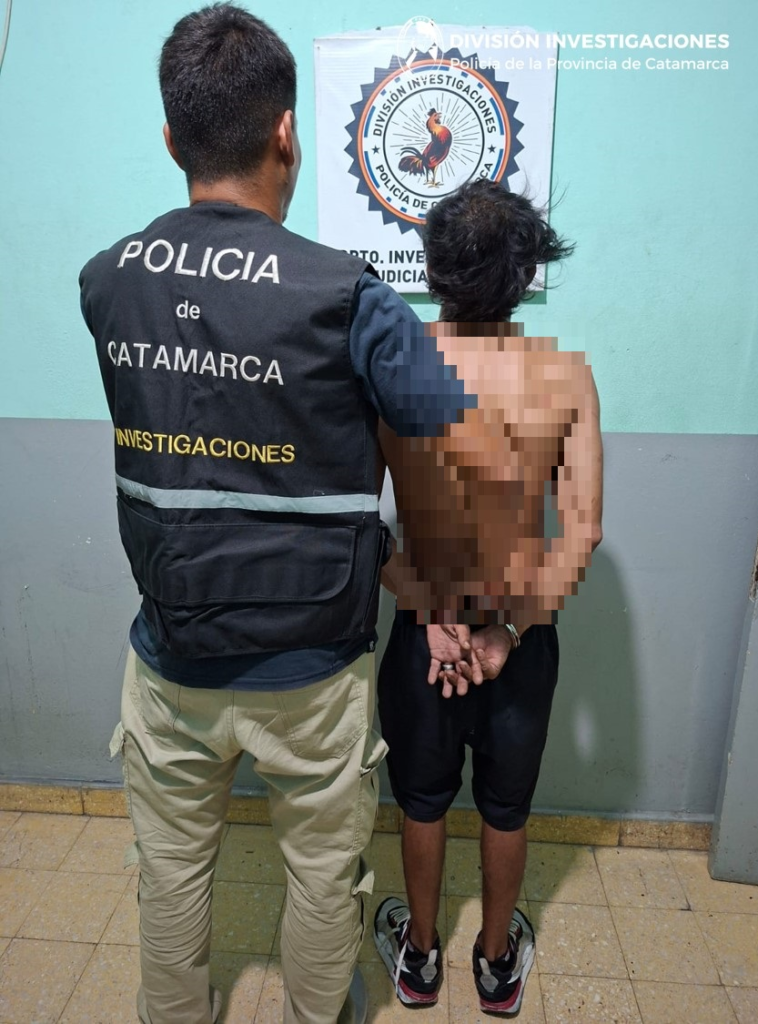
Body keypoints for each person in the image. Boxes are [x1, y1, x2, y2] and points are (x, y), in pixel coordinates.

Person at [78, 6, 478, 1023]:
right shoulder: (352, 297)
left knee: (169, 873)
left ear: (172, 138)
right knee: (320, 877)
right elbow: (443, 441)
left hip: (171, 657)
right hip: (314, 671)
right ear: (286, 133)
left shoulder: (108, 280)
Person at [373, 179, 604, 1015]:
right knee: (506, 808)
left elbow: (357, 522)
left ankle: (420, 958)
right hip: (519, 636)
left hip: (423, 635)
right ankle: (498, 964)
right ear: (527, 272)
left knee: (422, 799)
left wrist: (435, 617)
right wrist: (506, 630)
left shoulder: (392, 371)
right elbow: (583, 532)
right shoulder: (564, 378)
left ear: (433, 268)